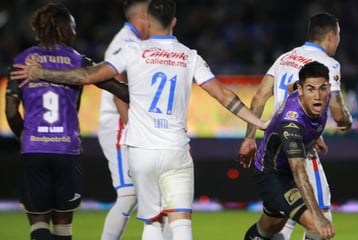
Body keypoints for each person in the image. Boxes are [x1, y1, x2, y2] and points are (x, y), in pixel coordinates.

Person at [10, 0, 269, 239]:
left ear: (146, 21)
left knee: (152, 221)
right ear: (174, 22)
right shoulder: (189, 56)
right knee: (180, 222)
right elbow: (223, 95)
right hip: (174, 148)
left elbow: (87, 76)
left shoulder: (132, 51)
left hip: (140, 151)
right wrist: (256, 121)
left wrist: (41, 72)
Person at [5, 3, 130, 240]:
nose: (74, 32)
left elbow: (11, 111)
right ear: (63, 29)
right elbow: (123, 92)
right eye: (72, 27)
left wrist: (24, 135)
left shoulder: (21, 61)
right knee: (63, 225)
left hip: (34, 149)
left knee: (38, 222)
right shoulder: (79, 61)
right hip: (66, 150)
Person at [237, 12, 352, 239]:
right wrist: (347, 120)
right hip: (299, 148)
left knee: (284, 217)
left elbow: (259, 98)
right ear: (331, 36)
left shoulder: (285, 58)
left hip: (276, 146)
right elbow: (338, 114)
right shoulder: (328, 64)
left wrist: (249, 138)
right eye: (338, 36)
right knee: (321, 221)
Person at [243, 61, 335, 240]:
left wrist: (315, 136)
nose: (317, 95)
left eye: (322, 88)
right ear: (301, 90)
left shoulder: (322, 95)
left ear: (328, 87)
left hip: (284, 169)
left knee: (269, 229)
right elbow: (299, 171)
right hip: (273, 175)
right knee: (317, 227)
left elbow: (290, 85)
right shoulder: (291, 124)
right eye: (310, 89)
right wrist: (317, 215)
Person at [97, 1, 152, 239]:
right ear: (142, 15)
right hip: (121, 123)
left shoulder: (137, 41)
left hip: (131, 123)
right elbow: (116, 82)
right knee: (129, 194)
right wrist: (133, 127)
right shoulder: (125, 42)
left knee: (152, 195)